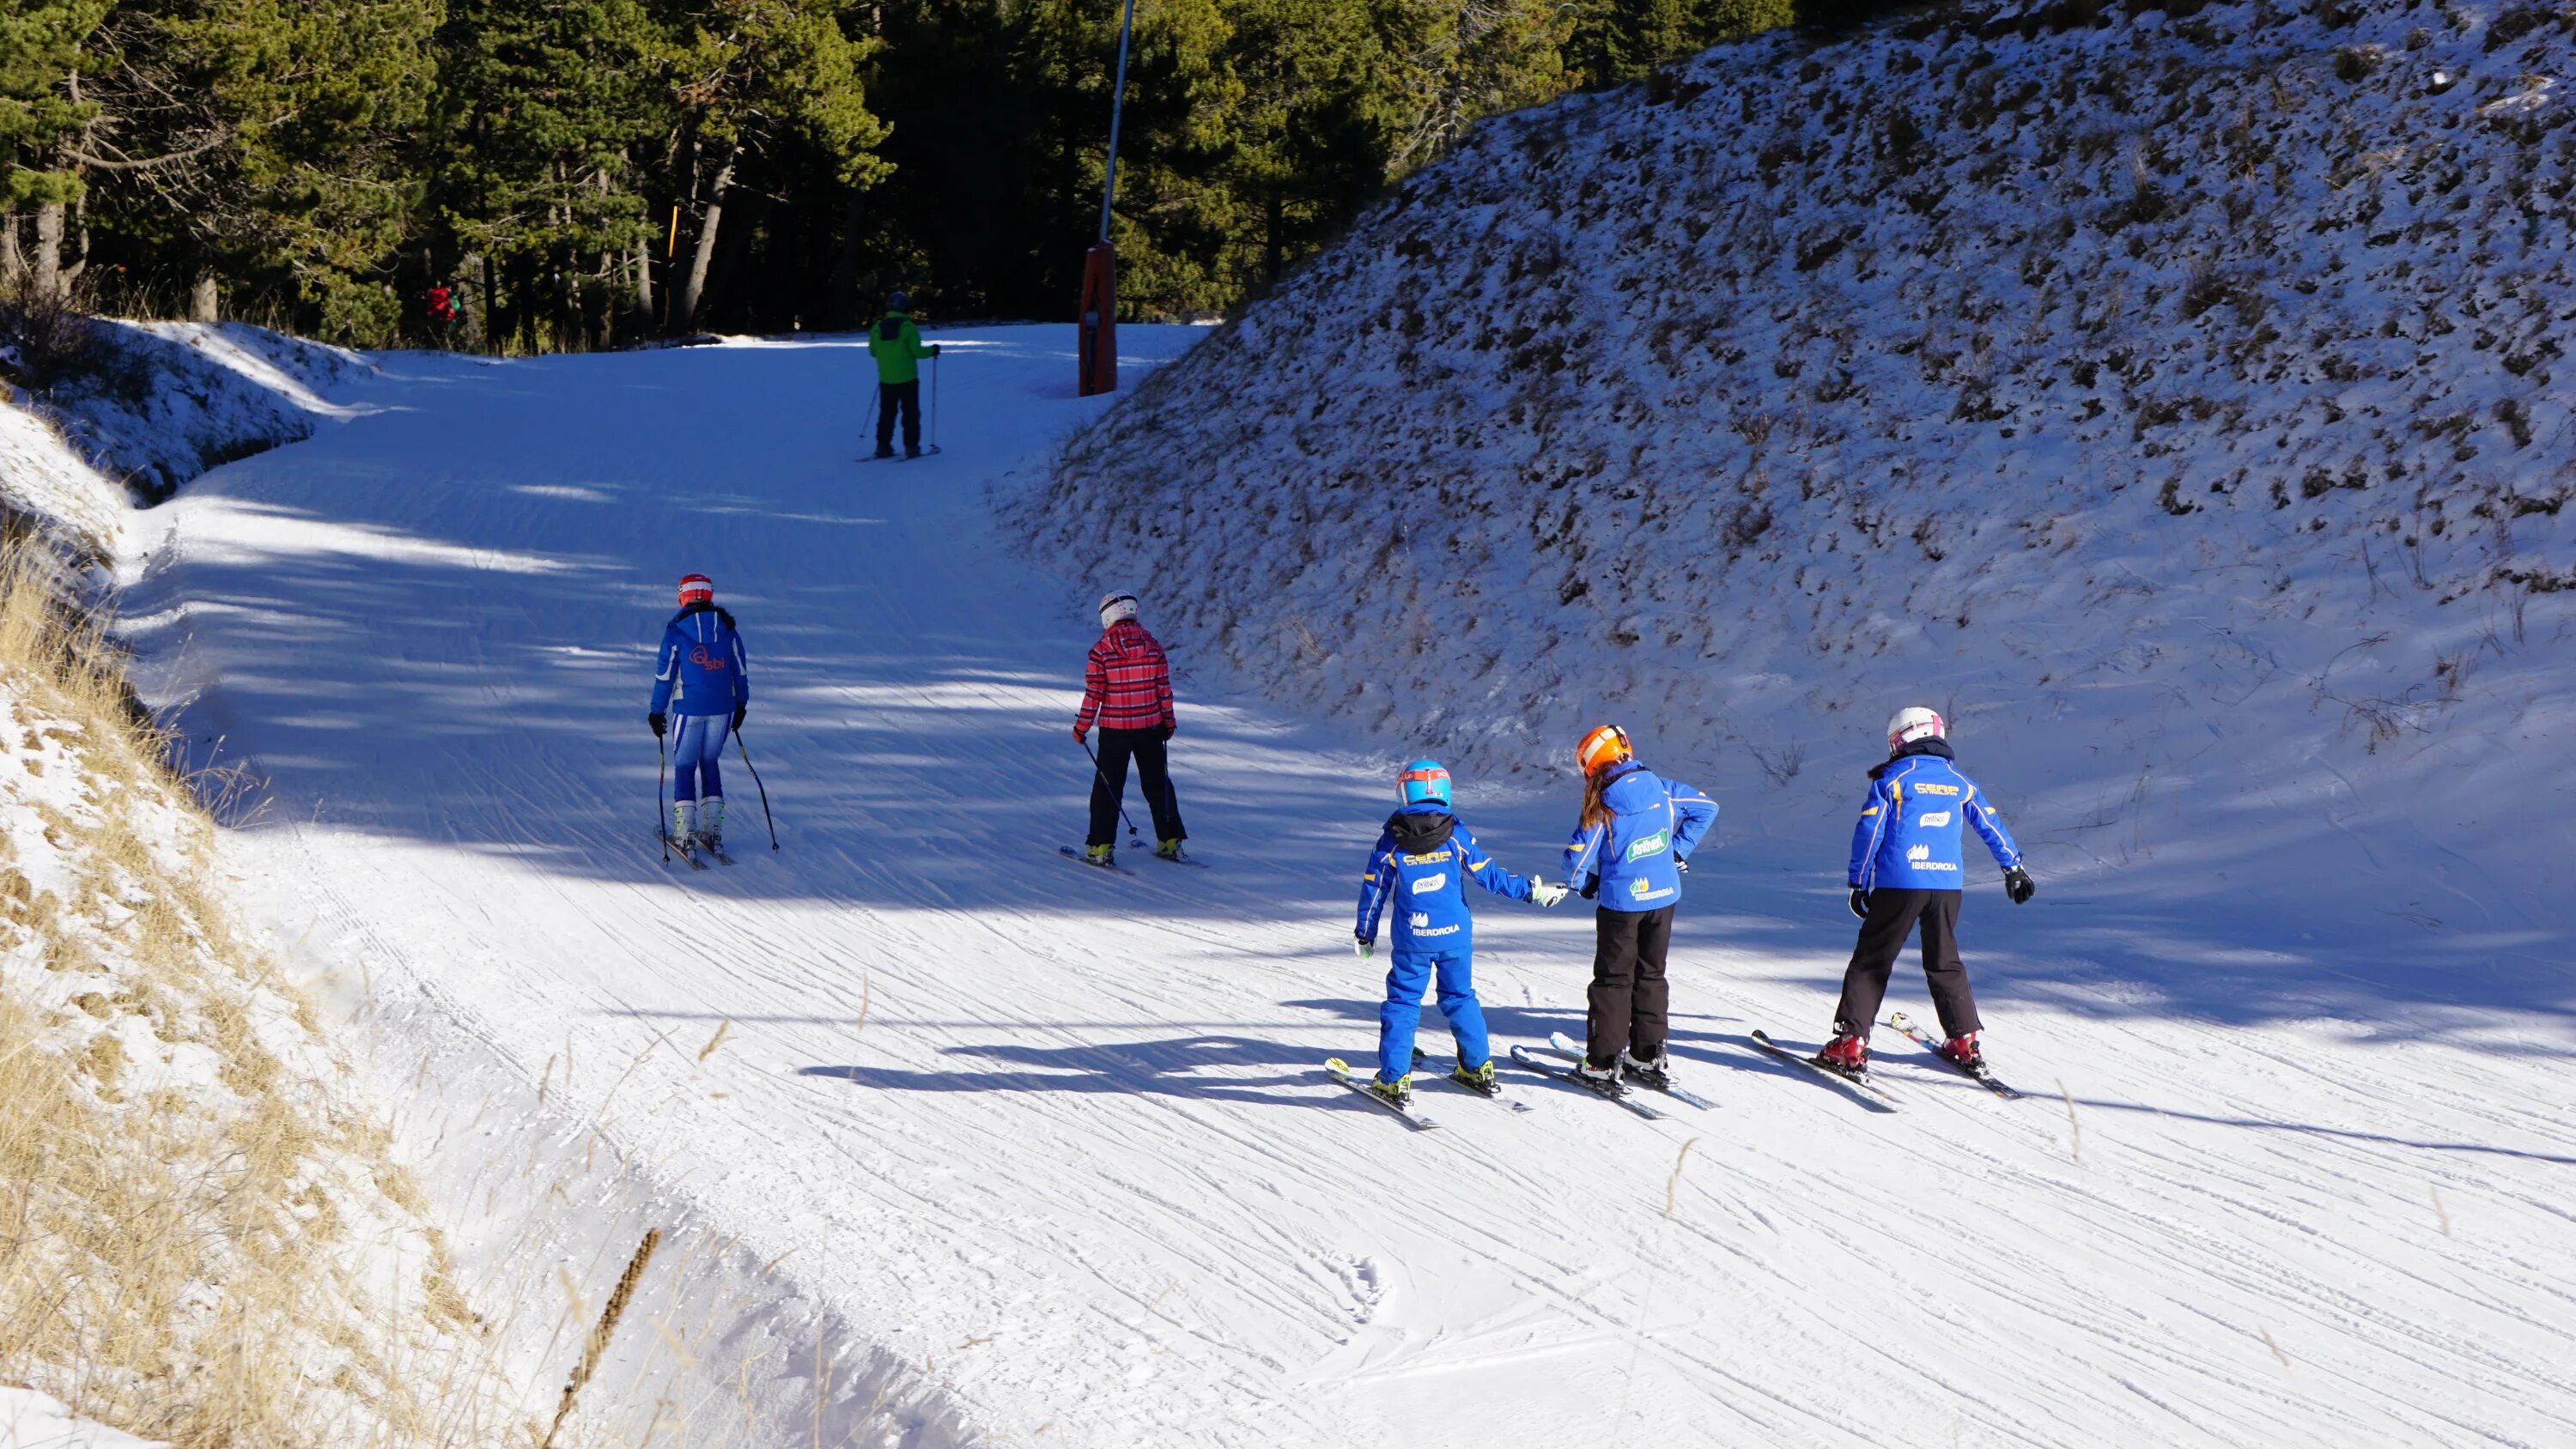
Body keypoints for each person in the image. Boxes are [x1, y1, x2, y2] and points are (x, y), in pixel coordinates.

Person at [1822, 706, 2035, 1075]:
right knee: (1945, 960)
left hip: (1900, 884)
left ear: (1900, 738)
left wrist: (1859, 881)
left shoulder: (1893, 778)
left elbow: (1869, 832)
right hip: (1947, 885)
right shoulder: (1959, 781)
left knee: (1873, 960)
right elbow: (1990, 823)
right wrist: (2013, 867)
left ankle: (1850, 1042)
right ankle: (1964, 1039)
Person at [1353, 760, 1568, 1106]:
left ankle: (1394, 1079)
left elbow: (1374, 890)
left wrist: (1365, 933)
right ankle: (1478, 1067)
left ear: (1404, 793)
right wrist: (1532, 891)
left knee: (1404, 1002)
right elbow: (1490, 875)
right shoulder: (1457, 836)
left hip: (1413, 940)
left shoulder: (1391, 843)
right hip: (1454, 936)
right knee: (1460, 997)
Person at [1559, 724, 1717, 1096]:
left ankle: (1603, 1062)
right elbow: (1707, 808)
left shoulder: (1605, 802)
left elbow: (1575, 859)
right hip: (1664, 897)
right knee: (1651, 974)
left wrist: (1585, 885)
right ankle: (1647, 1055)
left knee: (1614, 980)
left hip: (1622, 903)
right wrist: (1677, 850)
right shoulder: (1661, 787)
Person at [1072, 591, 1185, 864]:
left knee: (1108, 787)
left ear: (1107, 616)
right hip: (1150, 728)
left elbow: (1094, 694)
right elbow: (1164, 691)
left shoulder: (1101, 651)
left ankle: (1100, 847)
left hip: (1115, 732)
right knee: (1158, 784)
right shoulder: (1154, 646)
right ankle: (1170, 841)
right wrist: (1168, 723)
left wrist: (1081, 727)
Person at [647, 573, 750, 858]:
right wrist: (741, 703)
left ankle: (685, 834)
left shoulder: (676, 631)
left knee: (684, 765)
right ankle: (713, 830)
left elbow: (665, 676)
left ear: (682, 596)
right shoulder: (728, 629)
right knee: (709, 761)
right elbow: (739, 670)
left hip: (688, 708)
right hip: (723, 708)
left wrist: (656, 712)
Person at [867, 290, 939, 458]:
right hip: (908, 379)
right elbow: (918, 352)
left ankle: (882, 446)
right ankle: (911, 447)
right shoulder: (908, 328)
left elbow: (873, 352)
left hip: (886, 379)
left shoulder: (877, 329)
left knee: (886, 414)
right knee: (910, 413)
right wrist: (933, 351)